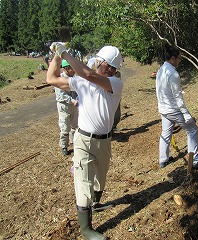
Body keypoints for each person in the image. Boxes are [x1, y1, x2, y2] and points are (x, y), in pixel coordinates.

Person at [47, 43, 123, 240]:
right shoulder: (80, 82)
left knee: (101, 177)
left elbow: (89, 75)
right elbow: (51, 78)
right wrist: (57, 55)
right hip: (84, 140)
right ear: (99, 61)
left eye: (113, 67)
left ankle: (96, 204)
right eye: (107, 65)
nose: (110, 70)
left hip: (105, 140)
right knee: (84, 181)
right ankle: (86, 228)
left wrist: (64, 52)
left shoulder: (114, 83)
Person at [156, 45, 198, 168]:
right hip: (173, 110)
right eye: (180, 58)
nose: (180, 61)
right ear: (173, 58)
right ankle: (195, 158)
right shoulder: (173, 73)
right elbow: (178, 98)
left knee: (165, 133)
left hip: (164, 109)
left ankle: (163, 160)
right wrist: (186, 115)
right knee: (192, 129)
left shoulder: (161, 70)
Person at [54, 59, 78, 156]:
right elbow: (62, 96)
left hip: (74, 105)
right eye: (72, 68)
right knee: (65, 127)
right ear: (66, 68)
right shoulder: (60, 79)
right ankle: (64, 146)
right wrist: (73, 101)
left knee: (74, 125)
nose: (74, 70)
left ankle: (73, 143)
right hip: (64, 106)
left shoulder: (74, 78)